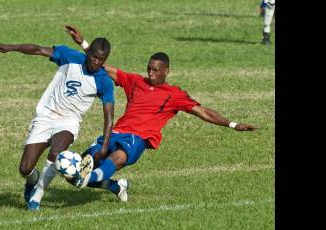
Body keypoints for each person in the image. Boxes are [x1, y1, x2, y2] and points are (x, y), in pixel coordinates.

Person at [65, 25, 257, 201]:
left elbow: (203, 112)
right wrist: (83, 43)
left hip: (136, 138)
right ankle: (115, 185)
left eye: (155, 70)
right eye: (149, 68)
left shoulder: (174, 94)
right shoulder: (135, 81)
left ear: (166, 71)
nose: (150, 73)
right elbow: (102, 66)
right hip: (114, 133)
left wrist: (233, 124)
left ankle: (96, 177)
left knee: (116, 160)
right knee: (74, 173)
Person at [0, 34, 115, 210]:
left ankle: (37, 196)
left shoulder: (104, 81)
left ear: (105, 60)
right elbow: (39, 49)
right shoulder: (70, 57)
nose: (95, 62)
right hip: (46, 116)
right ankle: (33, 180)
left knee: (56, 152)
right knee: (25, 169)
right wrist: (11, 47)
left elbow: (109, 116)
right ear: (88, 53)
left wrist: (105, 145)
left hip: (69, 121)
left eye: (100, 59)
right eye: (93, 56)